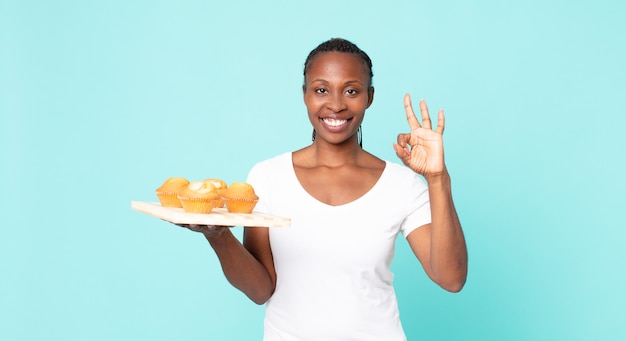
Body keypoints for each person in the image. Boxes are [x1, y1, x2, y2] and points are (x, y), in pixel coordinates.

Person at [179, 38, 468, 340]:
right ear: (304, 94)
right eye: (321, 89)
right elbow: (260, 289)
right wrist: (218, 236)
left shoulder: (401, 184)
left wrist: (438, 178)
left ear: (369, 97)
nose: (336, 104)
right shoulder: (268, 177)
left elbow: (451, 278)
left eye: (351, 91)